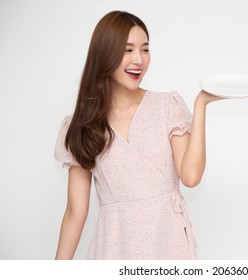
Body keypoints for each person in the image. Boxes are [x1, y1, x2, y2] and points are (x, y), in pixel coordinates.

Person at [54, 10, 221, 259]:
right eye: (127, 49)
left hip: (168, 246)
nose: (139, 60)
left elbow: (191, 176)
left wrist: (201, 104)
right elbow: (75, 212)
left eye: (145, 49)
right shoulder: (81, 124)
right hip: (114, 249)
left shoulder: (168, 106)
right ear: (105, 54)